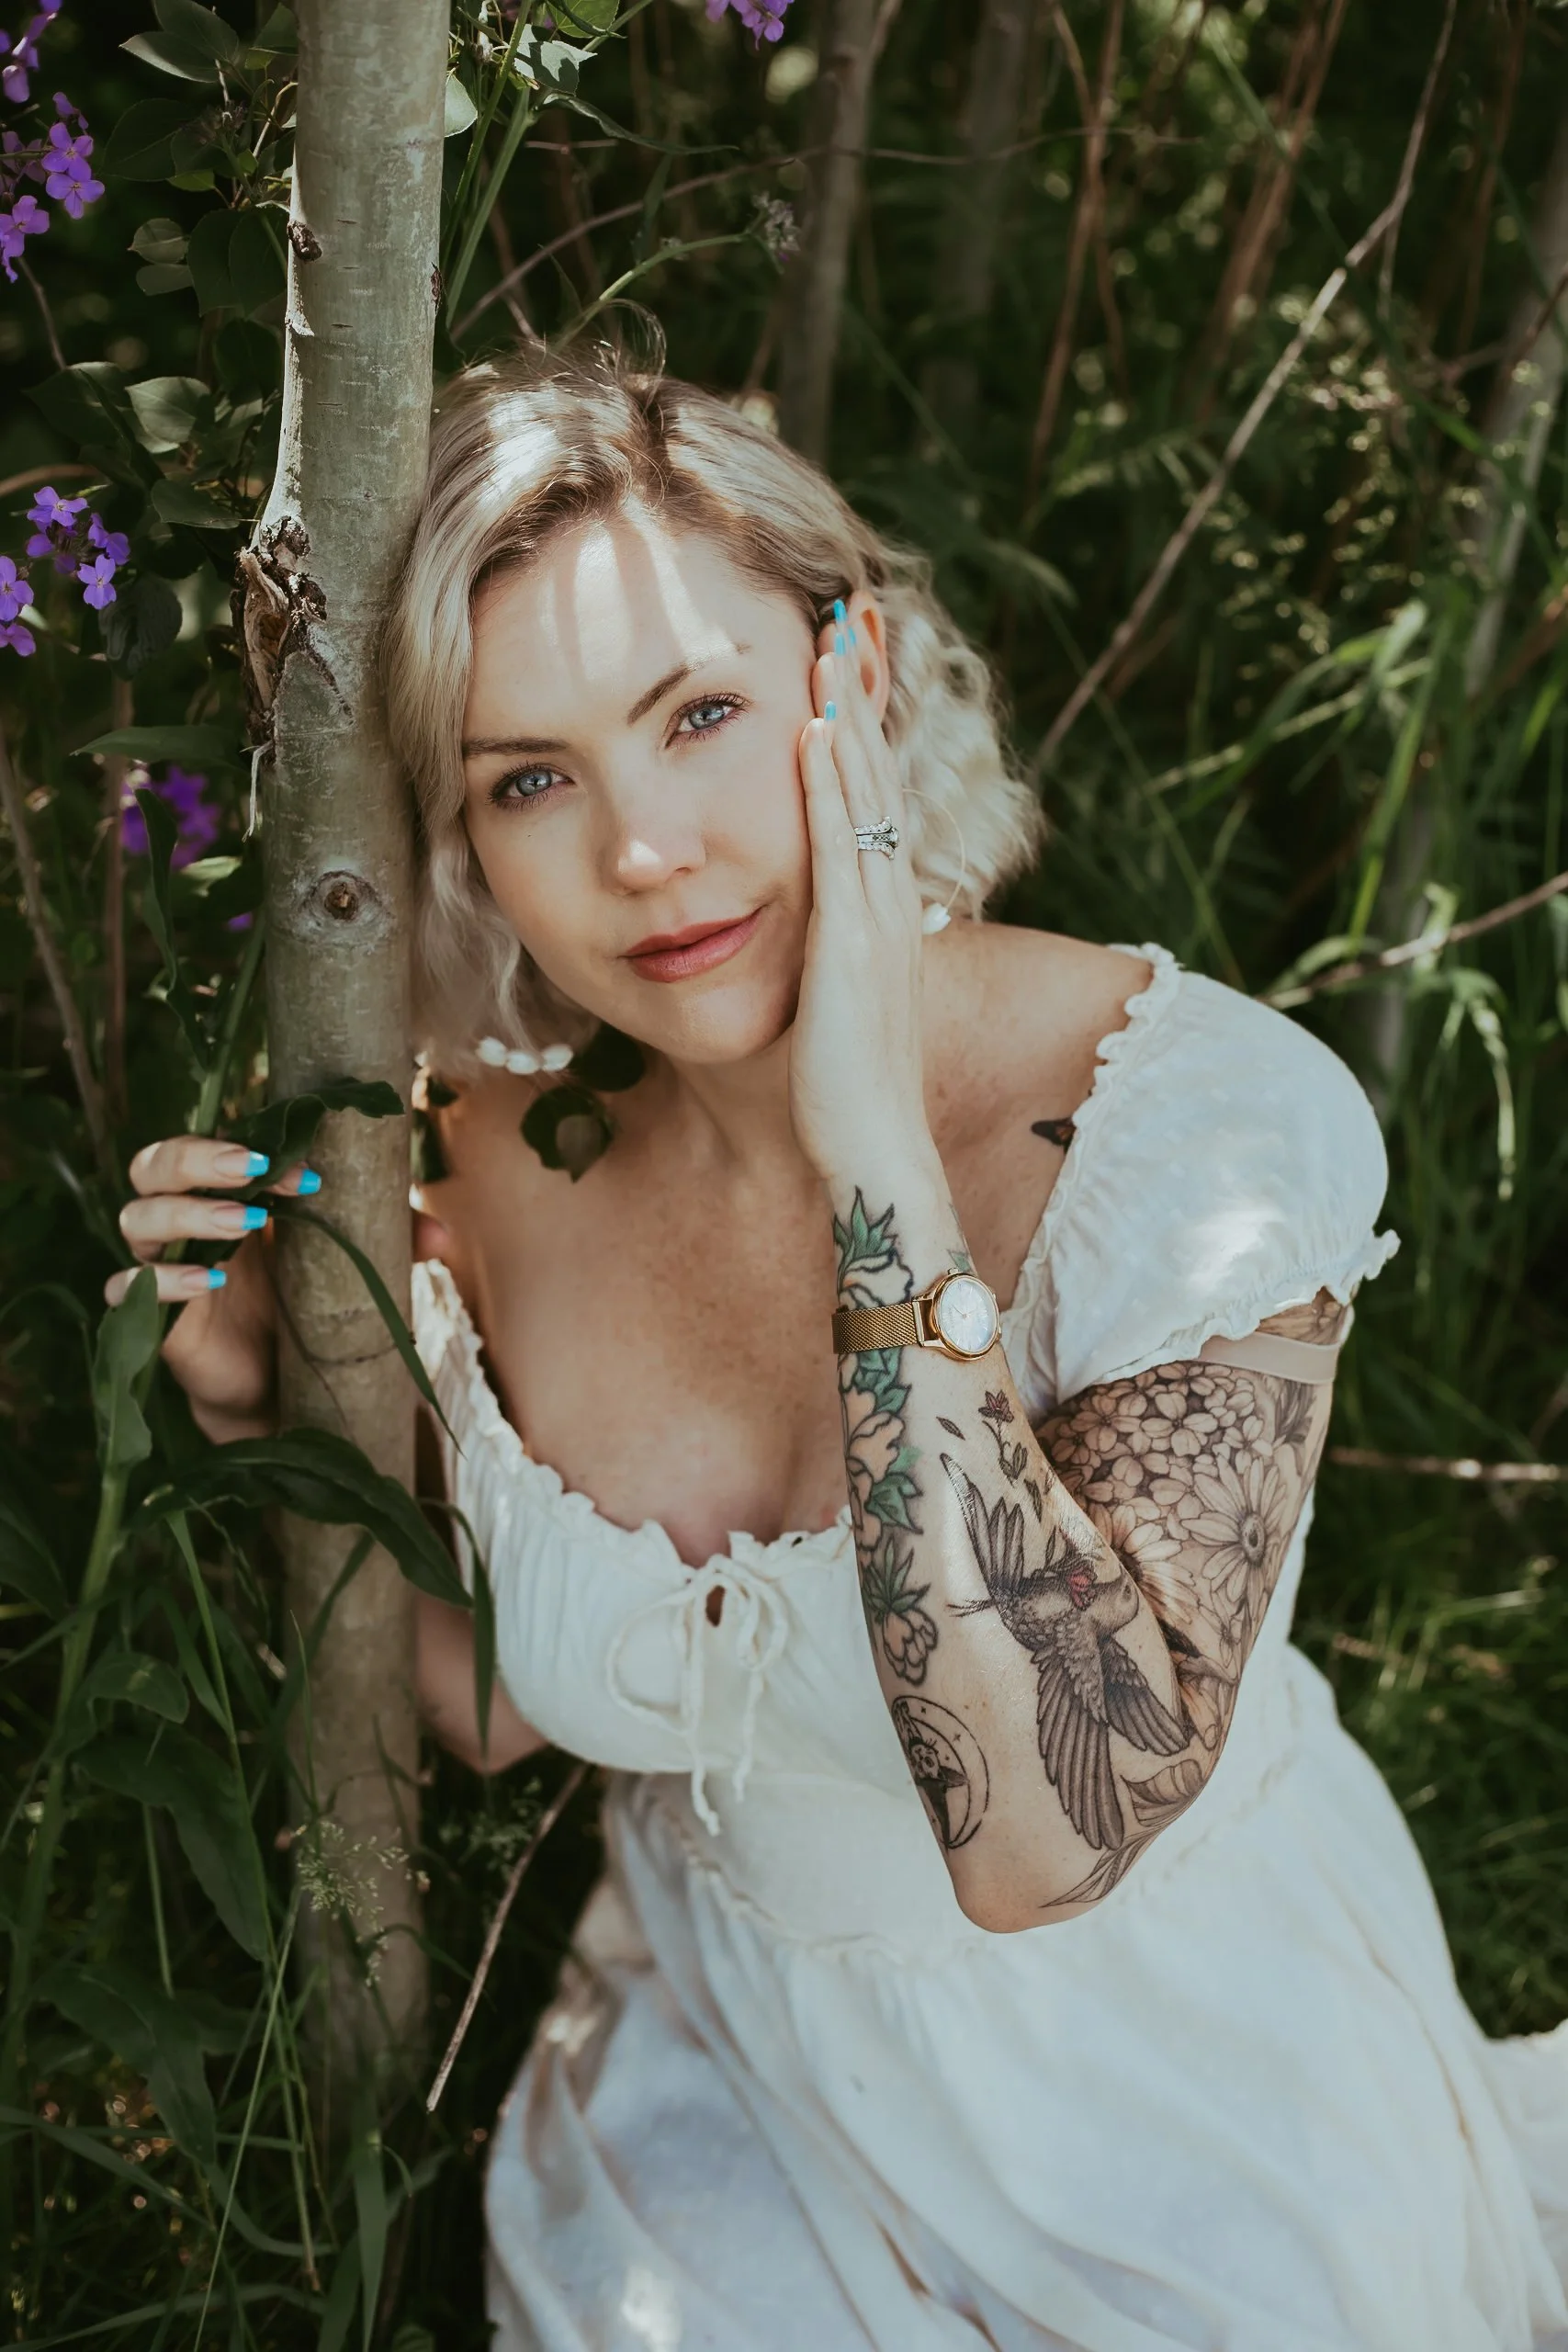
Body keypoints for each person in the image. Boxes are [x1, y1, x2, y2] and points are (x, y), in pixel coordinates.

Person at [115, 355, 1568, 2352]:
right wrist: (236, 1385)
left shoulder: (1196, 1128)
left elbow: (1050, 1833)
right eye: (528, 776)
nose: (645, 850)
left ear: (852, 678)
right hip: (720, 2081)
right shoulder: (491, 1161)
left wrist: (874, 1155)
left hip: (1170, 2076)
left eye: (698, 715)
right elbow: (491, 1704)